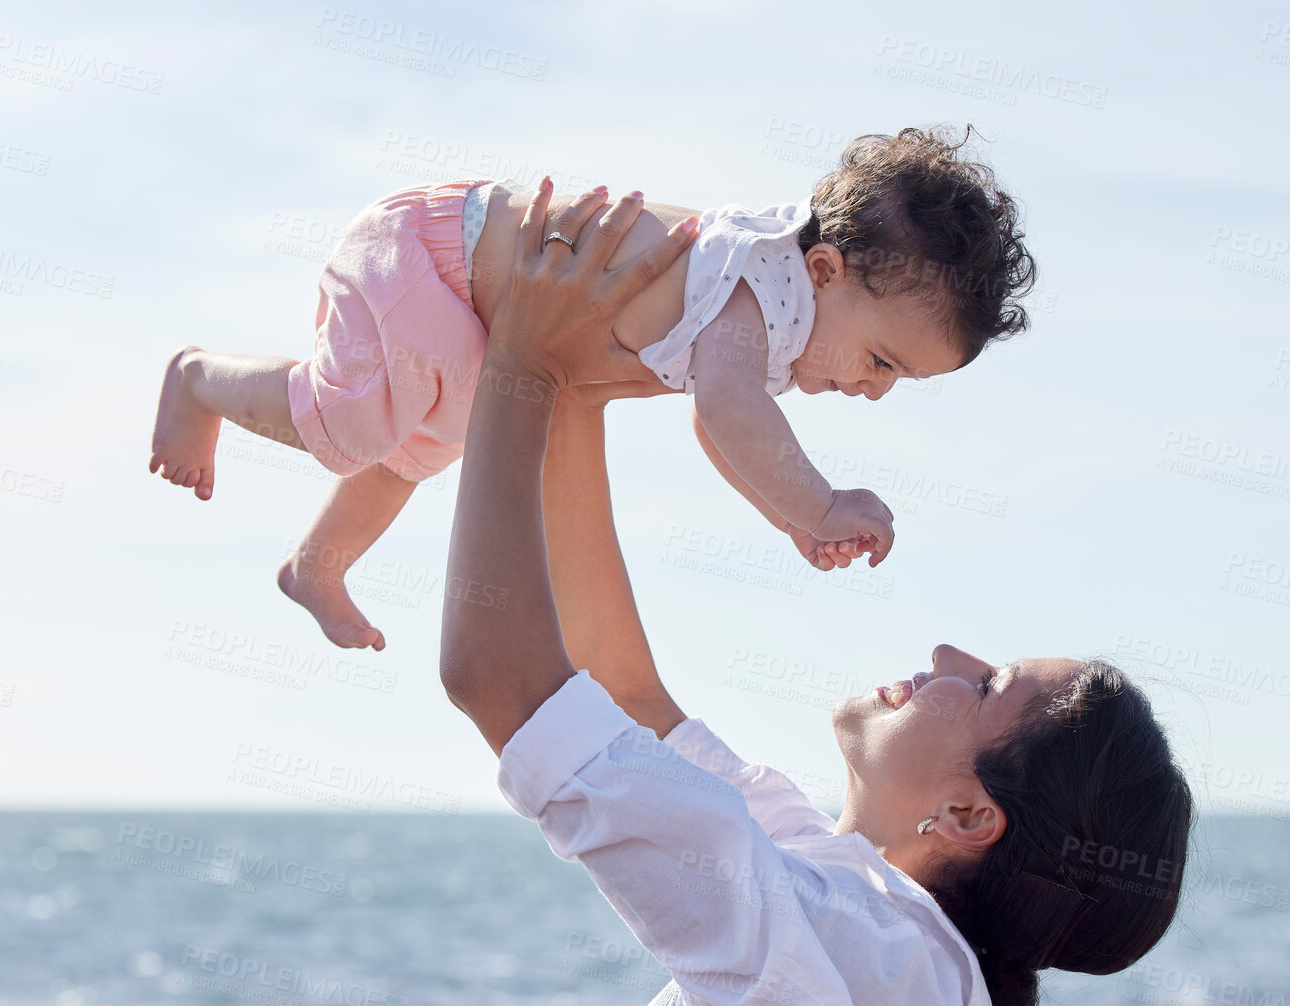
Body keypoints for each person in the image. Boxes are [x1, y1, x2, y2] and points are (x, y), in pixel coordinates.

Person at [441, 182, 1194, 1006]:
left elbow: (498, 681)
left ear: (969, 817)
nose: (942, 651)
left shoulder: (850, 948)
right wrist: (570, 385)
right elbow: (621, 695)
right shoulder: (862, 926)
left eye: (981, 687)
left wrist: (519, 368)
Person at [147, 126, 1036, 651]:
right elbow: (730, 412)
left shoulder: (773, 315)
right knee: (351, 424)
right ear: (826, 270)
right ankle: (199, 382)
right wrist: (819, 500)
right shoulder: (757, 288)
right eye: (882, 361)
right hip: (430, 252)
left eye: (898, 382)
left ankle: (318, 563)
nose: (873, 391)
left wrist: (793, 516)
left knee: (424, 440)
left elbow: (722, 426)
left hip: (473, 306)